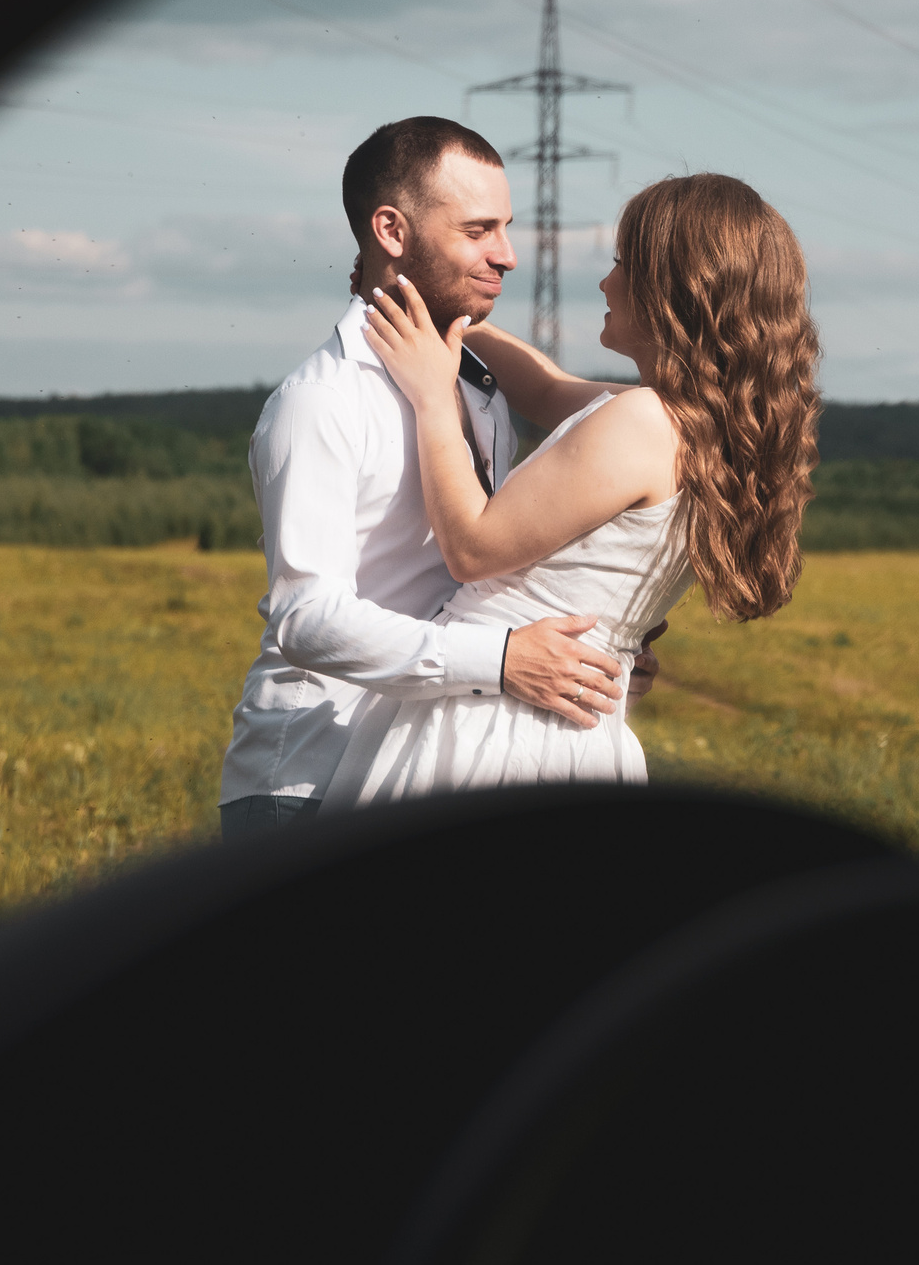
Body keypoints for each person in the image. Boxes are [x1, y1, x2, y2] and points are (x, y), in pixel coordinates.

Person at [322, 172, 820, 807]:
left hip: (498, 730)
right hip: (567, 728)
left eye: (621, 262)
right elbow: (547, 390)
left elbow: (473, 549)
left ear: (674, 290)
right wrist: (448, 310)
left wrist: (431, 396)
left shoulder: (643, 424)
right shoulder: (698, 427)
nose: (607, 281)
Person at [215, 116, 640, 840]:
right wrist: (504, 660)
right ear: (391, 230)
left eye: (505, 228)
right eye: (478, 231)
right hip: (311, 778)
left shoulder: (478, 388)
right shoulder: (321, 399)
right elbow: (306, 618)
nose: (507, 255)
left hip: (432, 761)